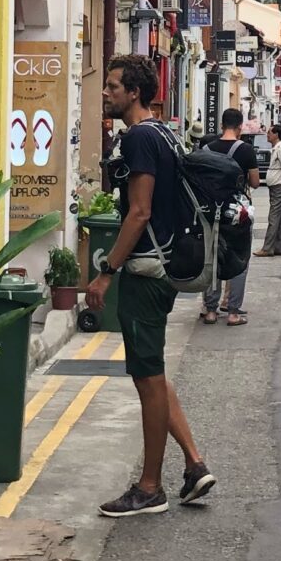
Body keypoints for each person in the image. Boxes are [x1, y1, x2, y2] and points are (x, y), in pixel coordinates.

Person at [88, 55, 214, 517]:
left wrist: (107, 271)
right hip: (164, 266)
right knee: (153, 374)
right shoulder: (163, 131)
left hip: (145, 270)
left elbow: (138, 212)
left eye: (113, 85)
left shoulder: (140, 137)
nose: (107, 92)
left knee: (147, 377)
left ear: (134, 93)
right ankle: (195, 464)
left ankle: (149, 487)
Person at [199, 108, 261, 324]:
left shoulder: (206, 148)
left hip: (209, 211)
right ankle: (233, 312)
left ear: (222, 125)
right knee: (238, 258)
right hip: (237, 213)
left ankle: (210, 310)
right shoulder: (245, 150)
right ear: (240, 126)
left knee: (211, 258)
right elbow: (254, 182)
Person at [257, 119, 281, 257]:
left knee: (273, 217)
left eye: (269, 133)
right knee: (279, 217)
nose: (267, 136)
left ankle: (267, 248)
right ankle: (279, 246)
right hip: (275, 186)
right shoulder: (276, 148)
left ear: (276, 134)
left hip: (279, 186)